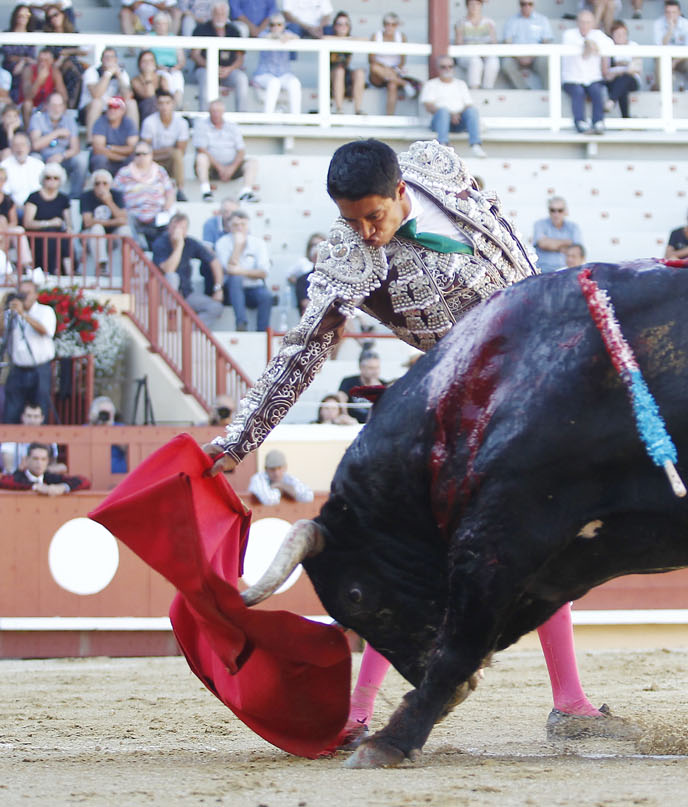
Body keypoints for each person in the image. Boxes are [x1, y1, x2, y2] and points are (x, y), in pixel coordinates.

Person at [201, 139, 631, 741]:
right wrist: (241, 436)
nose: (365, 233)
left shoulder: (434, 164)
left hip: (541, 366)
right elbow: (303, 349)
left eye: (372, 217)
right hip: (469, 397)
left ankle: (569, 700)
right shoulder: (349, 258)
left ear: (401, 190)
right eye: (351, 221)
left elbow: (496, 224)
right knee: (421, 558)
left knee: (545, 539)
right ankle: (359, 713)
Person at [0, 277, 57, 425]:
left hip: (40, 367)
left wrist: (24, 314)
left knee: (40, 408)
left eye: (27, 293)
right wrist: (2, 307)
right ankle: (10, 445)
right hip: (18, 367)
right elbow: (0, 332)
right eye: (21, 293)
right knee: (12, 410)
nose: (23, 297)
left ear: (36, 295)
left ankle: (39, 446)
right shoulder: (13, 313)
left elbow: (45, 330)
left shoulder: (45, 311)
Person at [153, 211, 227, 329]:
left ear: (186, 230)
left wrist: (218, 288)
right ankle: (172, 318)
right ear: (169, 228)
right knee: (172, 277)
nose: (178, 231)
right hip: (163, 294)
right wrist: (179, 246)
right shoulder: (161, 243)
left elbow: (214, 261)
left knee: (216, 307)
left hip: (186, 293)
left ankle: (188, 330)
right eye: (175, 227)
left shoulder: (191, 242)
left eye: (182, 228)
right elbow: (168, 269)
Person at [215, 210, 272, 331]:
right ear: (229, 226)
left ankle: (262, 331)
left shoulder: (258, 243)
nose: (239, 228)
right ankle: (241, 323)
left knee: (266, 296)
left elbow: (263, 272)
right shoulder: (222, 243)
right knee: (235, 279)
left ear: (248, 225)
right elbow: (228, 269)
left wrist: (240, 271)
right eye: (236, 225)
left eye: (243, 224)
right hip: (232, 290)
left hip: (254, 288)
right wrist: (238, 246)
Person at [192, 101, 258, 203]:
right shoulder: (201, 125)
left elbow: (241, 150)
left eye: (218, 111)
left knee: (252, 162)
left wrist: (231, 168)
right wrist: (220, 168)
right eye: (213, 111)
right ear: (209, 112)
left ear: (223, 112)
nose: (216, 114)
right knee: (201, 157)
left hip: (232, 167)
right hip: (212, 168)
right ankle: (206, 191)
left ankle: (246, 192)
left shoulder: (232, 126)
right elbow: (201, 149)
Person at [421, 55, 486, 157]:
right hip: (439, 122)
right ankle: (442, 146)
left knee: (472, 111)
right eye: (443, 67)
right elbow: (428, 106)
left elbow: (468, 104)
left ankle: (475, 145)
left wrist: (456, 115)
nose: (447, 69)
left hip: (459, 121)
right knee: (443, 111)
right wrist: (450, 115)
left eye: (450, 66)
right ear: (438, 68)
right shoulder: (431, 84)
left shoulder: (461, 84)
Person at [114, 142, 176, 247]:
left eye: (144, 154)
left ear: (151, 155)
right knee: (126, 223)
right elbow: (115, 193)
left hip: (156, 213)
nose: (141, 157)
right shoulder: (124, 172)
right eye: (138, 154)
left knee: (171, 222)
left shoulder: (160, 171)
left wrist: (167, 206)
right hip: (132, 213)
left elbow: (169, 192)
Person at [192, 1, 249, 112]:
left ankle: (242, 116)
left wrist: (229, 69)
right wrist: (211, 67)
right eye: (217, 13)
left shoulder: (233, 31)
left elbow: (240, 57)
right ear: (211, 14)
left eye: (223, 13)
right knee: (206, 77)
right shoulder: (201, 29)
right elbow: (195, 55)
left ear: (227, 15)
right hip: (205, 68)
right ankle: (204, 114)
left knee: (241, 78)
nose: (220, 16)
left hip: (228, 70)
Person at [561, 10, 612, 135]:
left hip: (592, 78)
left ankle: (598, 122)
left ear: (593, 23)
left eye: (588, 22)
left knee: (596, 90)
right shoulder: (569, 34)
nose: (584, 25)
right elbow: (582, 47)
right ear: (577, 22)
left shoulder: (598, 34)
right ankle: (580, 122)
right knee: (578, 92)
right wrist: (589, 43)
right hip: (571, 79)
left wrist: (592, 44)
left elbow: (610, 44)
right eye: (582, 22)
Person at [29, 92, 86, 196]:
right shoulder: (37, 118)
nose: (57, 109)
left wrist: (62, 156)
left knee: (81, 160)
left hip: (63, 158)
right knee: (34, 158)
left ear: (64, 107)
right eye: (54, 105)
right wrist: (57, 133)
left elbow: (75, 148)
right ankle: (37, 195)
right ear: (46, 106)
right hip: (43, 157)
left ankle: (75, 196)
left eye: (60, 105)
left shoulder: (69, 121)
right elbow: (35, 145)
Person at [23, 162, 74, 275]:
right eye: (48, 177)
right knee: (50, 233)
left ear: (60, 180)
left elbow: (68, 222)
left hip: (58, 237)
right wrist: (49, 223)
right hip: (37, 237)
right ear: (43, 179)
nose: (51, 180)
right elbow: (28, 223)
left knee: (64, 237)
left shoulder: (63, 199)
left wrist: (69, 228)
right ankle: (50, 271)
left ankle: (69, 273)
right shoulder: (34, 197)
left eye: (55, 178)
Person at [367, 12, 420, 117]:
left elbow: (402, 60)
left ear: (397, 25)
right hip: (378, 73)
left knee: (392, 85)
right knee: (374, 68)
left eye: (393, 24)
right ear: (383, 24)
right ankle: (404, 84)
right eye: (387, 24)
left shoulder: (401, 37)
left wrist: (392, 70)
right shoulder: (376, 36)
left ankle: (389, 117)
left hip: (393, 71)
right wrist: (385, 68)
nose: (389, 27)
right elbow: (371, 59)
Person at [79, 169, 131, 274]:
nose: (101, 187)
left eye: (104, 183)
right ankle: (101, 265)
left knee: (125, 230)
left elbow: (124, 220)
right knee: (97, 229)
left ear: (110, 185)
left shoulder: (116, 195)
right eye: (97, 184)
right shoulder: (86, 196)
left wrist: (109, 201)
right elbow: (87, 222)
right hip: (90, 236)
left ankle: (128, 265)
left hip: (112, 236)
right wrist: (115, 221)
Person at [141, 89, 190, 201]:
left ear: (173, 104)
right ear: (157, 105)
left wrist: (166, 152)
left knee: (177, 154)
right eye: (161, 103)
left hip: (169, 161)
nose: (164, 107)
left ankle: (180, 190)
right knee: (143, 157)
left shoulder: (181, 123)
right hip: (154, 160)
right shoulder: (149, 122)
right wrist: (168, 151)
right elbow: (144, 150)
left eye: (167, 103)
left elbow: (181, 150)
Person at [251, 14, 304, 115]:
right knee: (274, 83)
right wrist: (278, 37)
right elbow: (264, 37)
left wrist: (287, 37)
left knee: (295, 83)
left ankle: (296, 118)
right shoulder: (264, 34)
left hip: (284, 74)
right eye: (272, 25)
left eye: (279, 25)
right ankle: (268, 117)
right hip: (264, 74)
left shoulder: (287, 34)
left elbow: (296, 37)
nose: (275, 27)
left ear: (284, 25)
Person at [501, 0, 556, 90]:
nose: (527, 7)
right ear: (519, 5)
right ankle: (524, 89)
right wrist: (519, 57)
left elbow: (546, 41)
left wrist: (532, 56)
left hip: (536, 57)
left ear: (534, 5)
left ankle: (549, 91)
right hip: (516, 57)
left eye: (530, 4)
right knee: (506, 63)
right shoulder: (511, 21)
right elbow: (507, 42)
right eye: (523, 4)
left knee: (545, 62)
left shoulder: (542, 20)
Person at [0, 442, 89, 495]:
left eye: (43, 459)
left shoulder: (50, 477)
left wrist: (63, 487)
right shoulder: (19, 476)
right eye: (35, 458)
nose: (39, 463)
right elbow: (3, 482)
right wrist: (35, 486)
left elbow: (84, 481)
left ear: (47, 461)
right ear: (27, 460)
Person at [652, 0, 688, 92]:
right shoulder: (658, 24)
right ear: (664, 13)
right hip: (663, 57)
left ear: (679, 12)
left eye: (674, 12)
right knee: (659, 62)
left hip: (682, 58)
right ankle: (661, 92)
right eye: (668, 12)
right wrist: (670, 30)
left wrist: (674, 61)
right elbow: (659, 48)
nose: (671, 15)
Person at [323, 11, 367, 115]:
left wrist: (348, 39)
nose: (343, 27)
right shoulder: (330, 38)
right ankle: (339, 109)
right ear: (334, 26)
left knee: (359, 73)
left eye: (346, 24)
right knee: (339, 71)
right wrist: (344, 39)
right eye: (340, 24)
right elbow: (323, 39)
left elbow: (366, 40)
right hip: (331, 76)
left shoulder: (351, 39)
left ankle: (358, 110)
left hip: (346, 76)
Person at [80, 47, 132, 133]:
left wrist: (119, 76)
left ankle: (131, 140)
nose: (109, 60)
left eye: (112, 57)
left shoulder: (122, 73)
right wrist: (108, 74)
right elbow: (96, 95)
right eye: (106, 57)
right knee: (97, 103)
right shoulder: (92, 71)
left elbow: (127, 96)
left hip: (112, 110)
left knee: (131, 103)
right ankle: (91, 143)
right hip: (89, 111)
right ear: (101, 59)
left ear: (116, 59)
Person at [89, 95, 140, 177]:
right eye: (110, 107)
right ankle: (100, 185)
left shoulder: (129, 123)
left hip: (122, 160)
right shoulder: (100, 121)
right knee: (100, 159)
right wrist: (121, 157)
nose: (112, 110)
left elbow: (132, 148)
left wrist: (111, 148)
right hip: (110, 160)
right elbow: (98, 150)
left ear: (123, 110)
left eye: (116, 108)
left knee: (134, 159)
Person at [455, 0, 500, 90]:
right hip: (467, 55)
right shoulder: (461, 23)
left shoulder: (489, 22)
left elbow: (494, 43)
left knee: (493, 61)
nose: (475, 7)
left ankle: (488, 89)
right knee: (475, 61)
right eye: (472, 4)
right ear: (467, 6)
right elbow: (459, 44)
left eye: (477, 4)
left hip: (485, 53)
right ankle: (475, 89)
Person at [604, 20, 643, 119]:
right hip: (614, 82)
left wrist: (619, 71)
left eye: (623, 34)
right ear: (612, 35)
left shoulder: (633, 46)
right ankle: (626, 118)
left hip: (632, 81)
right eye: (617, 34)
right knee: (622, 85)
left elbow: (636, 69)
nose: (620, 37)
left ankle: (611, 101)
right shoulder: (608, 47)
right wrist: (626, 68)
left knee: (625, 78)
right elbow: (606, 73)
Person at [533, 196, 582, 271]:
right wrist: (566, 243)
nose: (556, 213)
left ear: (565, 211)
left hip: (567, 270)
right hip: (543, 271)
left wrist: (550, 243)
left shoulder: (574, 227)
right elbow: (542, 244)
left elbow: (576, 250)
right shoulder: (539, 224)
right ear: (549, 211)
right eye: (553, 210)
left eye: (560, 210)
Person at [248, 450, 314, 505]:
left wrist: (281, 486)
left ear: (285, 467)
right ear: (266, 469)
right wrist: (281, 489)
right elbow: (269, 500)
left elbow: (309, 496)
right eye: (272, 469)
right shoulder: (258, 479)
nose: (276, 473)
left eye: (279, 468)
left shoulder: (288, 478)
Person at [338, 348, 385, 423]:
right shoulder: (349, 382)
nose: (375, 372)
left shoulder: (383, 384)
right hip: (352, 423)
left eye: (377, 368)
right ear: (361, 368)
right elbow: (341, 398)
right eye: (371, 368)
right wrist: (346, 416)